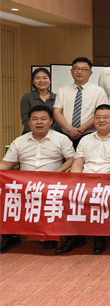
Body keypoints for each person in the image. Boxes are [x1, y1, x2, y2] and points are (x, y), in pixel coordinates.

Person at [0, 105, 75, 254]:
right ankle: (11, 236)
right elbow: (6, 164)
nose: (39, 122)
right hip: (24, 185)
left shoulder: (61, 139)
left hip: (51, 184)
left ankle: (48, 235)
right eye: (35, 119)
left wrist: (57, 173)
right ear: (29, 122)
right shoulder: (19, 141)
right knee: (4, 195)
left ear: (51, 121)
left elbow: (72, 159)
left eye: (43, 119)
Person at [68, 104, 110, 255]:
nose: (101, 120)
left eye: (105, 117)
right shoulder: (85, 139)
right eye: (98, 117)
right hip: (84, 180)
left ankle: (99, 236)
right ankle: (75, 236)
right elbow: (77, 163)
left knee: (99, 195)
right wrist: (76, 180)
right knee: (68, 193)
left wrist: (101, 181)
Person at [53, 57, 108, 149]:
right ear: (71, 71)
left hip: (89, 135)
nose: (79, 72)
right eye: (76, 68)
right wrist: (69, 130)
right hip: (66, 136)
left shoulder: (99, 91)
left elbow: (100, 114)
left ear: (90, 73)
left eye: (84, 69)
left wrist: (80, 130)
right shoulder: (62, 91)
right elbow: (57, 112)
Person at [20, 67, 60, 133]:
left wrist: (49, 133)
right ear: (33, 81)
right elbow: (25, 119)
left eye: (44, 78)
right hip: (31, 134)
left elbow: (58, 119)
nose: (41, 81)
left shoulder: (57, 97)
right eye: (37, 78)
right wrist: (37, 133)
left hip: (53, 134)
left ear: (50, 80)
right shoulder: (27, 97)